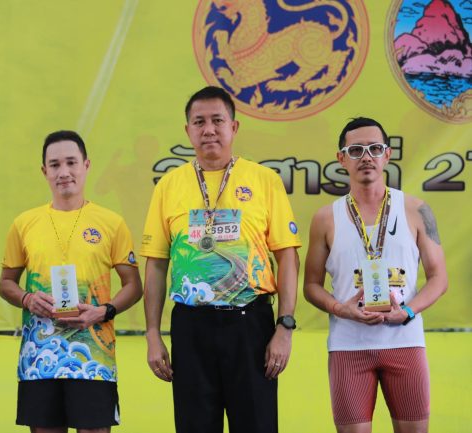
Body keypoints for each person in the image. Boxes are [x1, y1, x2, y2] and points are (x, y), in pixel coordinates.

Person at [141, 86, 302, 433]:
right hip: (191, 327)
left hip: (250, 325)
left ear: (234, 127)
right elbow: (156, 264)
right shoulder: (168, 186)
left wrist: (284, 327)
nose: (209, 130)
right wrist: (152, 333)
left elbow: (287, 257)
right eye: (199, 122)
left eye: (217, 120)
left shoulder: (265, 180)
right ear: (188, 130)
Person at [303, 117, 448, 433]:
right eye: (356, 150)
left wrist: (407, 311)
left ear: (388, 154)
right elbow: (311, 285)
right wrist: (342, 309)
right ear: (341, 159)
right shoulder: (325, 218)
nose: (366, 157)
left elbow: (439, 277)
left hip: (405, 342)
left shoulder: (416, 210)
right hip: (348, 346)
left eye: (374, 148)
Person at [0, 130, 142, 433]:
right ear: (44, 171)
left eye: (71, 162)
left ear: (86, 165)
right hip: (39, 358)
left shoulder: (111, 223)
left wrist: (102, 311)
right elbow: (6, 283)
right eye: (54, 165)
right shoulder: (24, 224)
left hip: (94, 360)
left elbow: (133, 286)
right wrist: (27, 298)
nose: (63, 172)